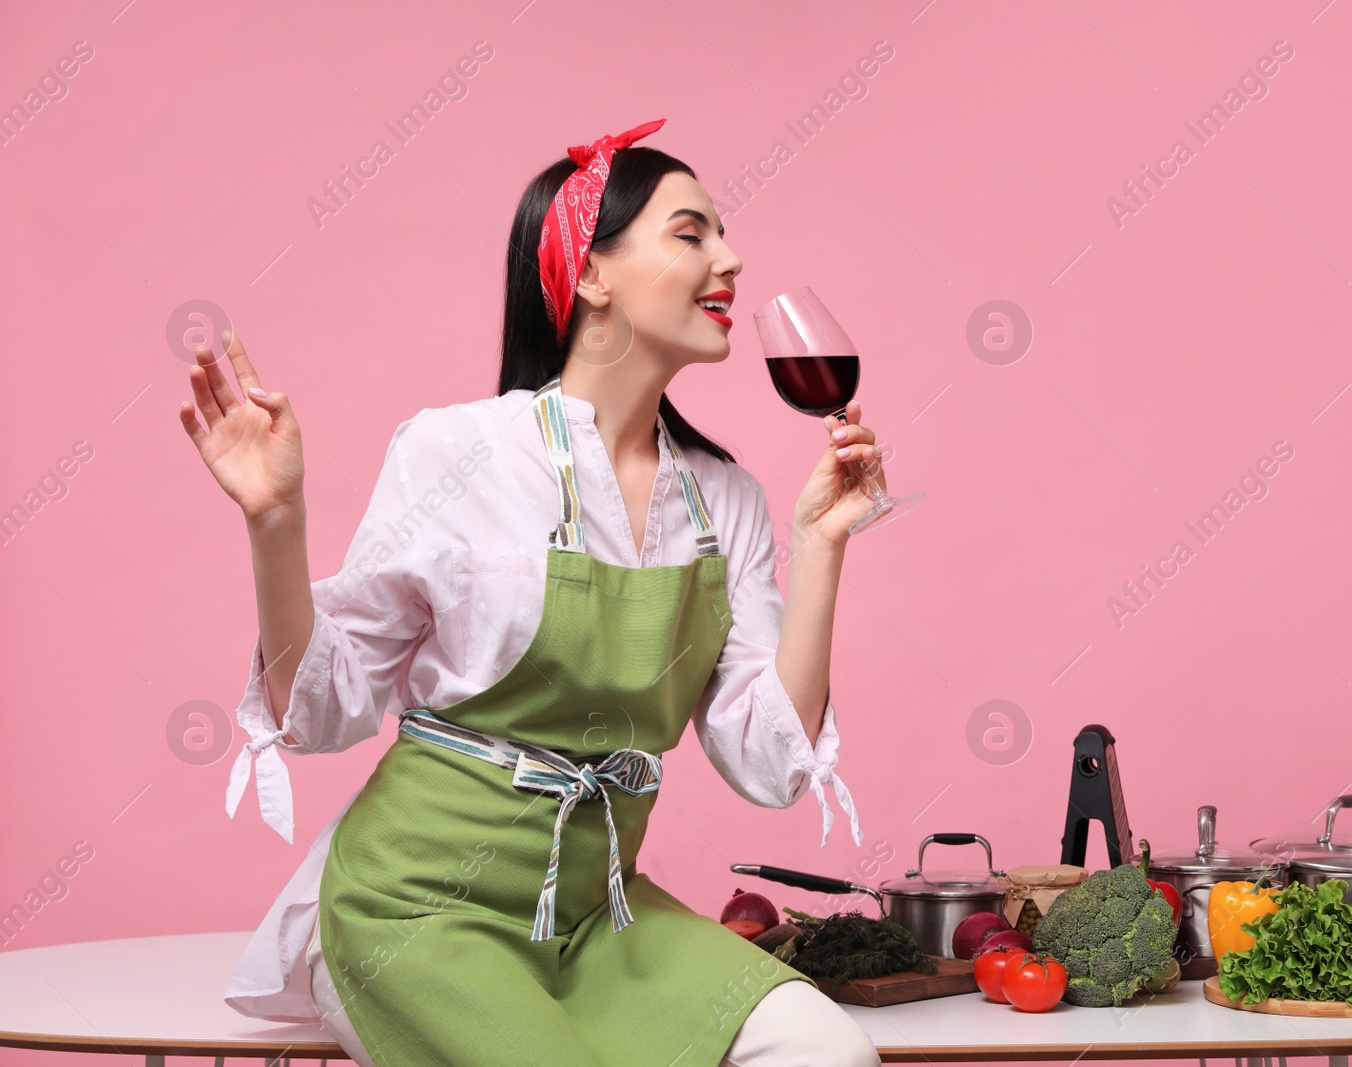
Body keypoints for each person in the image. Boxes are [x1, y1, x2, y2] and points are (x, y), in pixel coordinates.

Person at [181, 119, 886, 1066]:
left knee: (823, 1049)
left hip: (599, 919)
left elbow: (770, 763)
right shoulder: (459, 451)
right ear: (592, 274)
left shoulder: (725, 500)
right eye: (692, 233)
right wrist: (275, 521)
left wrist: (820, 544)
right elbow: (320, 710)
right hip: (417, 910)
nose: (731, 258)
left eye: (722, 234)